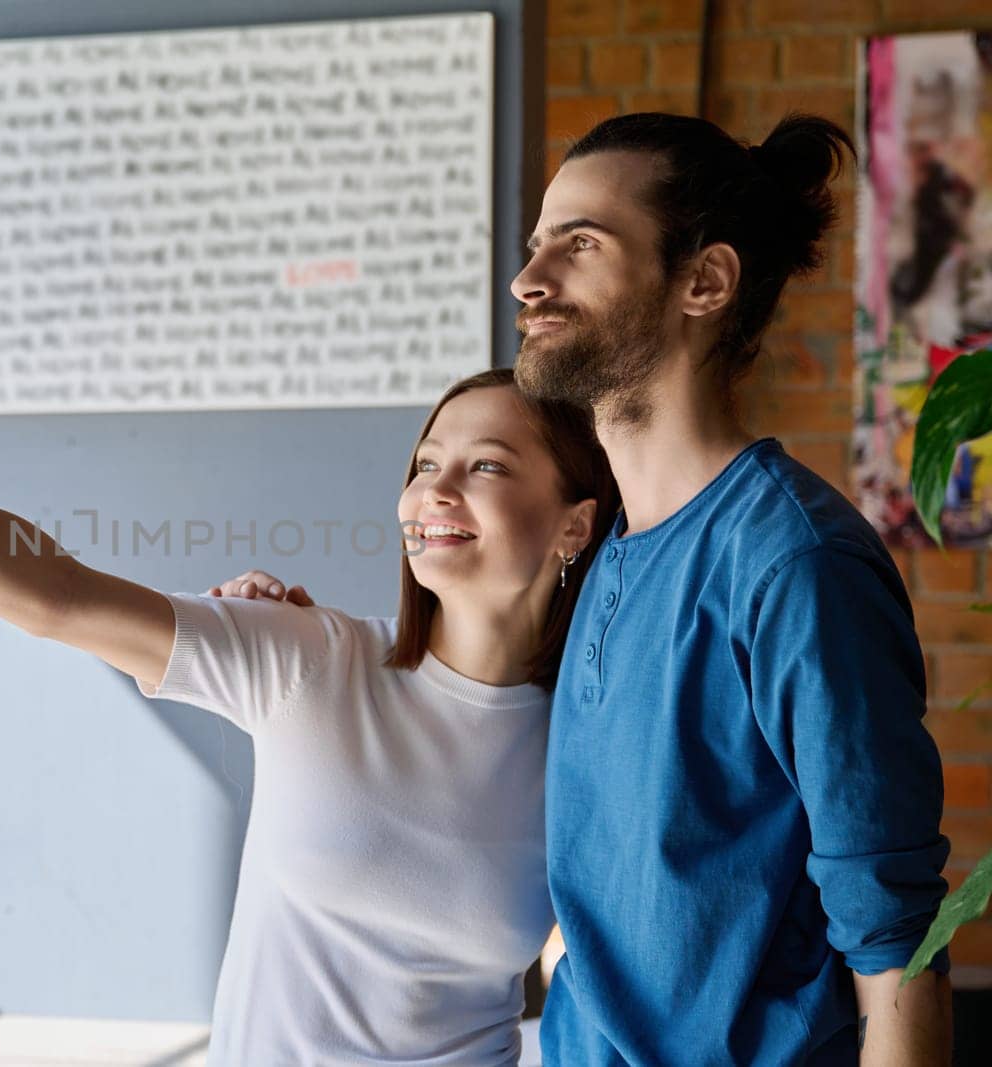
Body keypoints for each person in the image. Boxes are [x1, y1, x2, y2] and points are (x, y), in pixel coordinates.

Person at [0, 324, 619, 1065]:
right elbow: (48, 591)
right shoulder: (308, 657)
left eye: (485, 466)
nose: (432, 492)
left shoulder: (595, 745)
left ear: (574, 524)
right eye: (423, 464)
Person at [222, 111, 955, 1065]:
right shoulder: (604, 552)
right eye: (536, 247)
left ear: (705, 281)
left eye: (581, 245)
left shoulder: (795, 564)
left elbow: (898, 947)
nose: (529, 281)